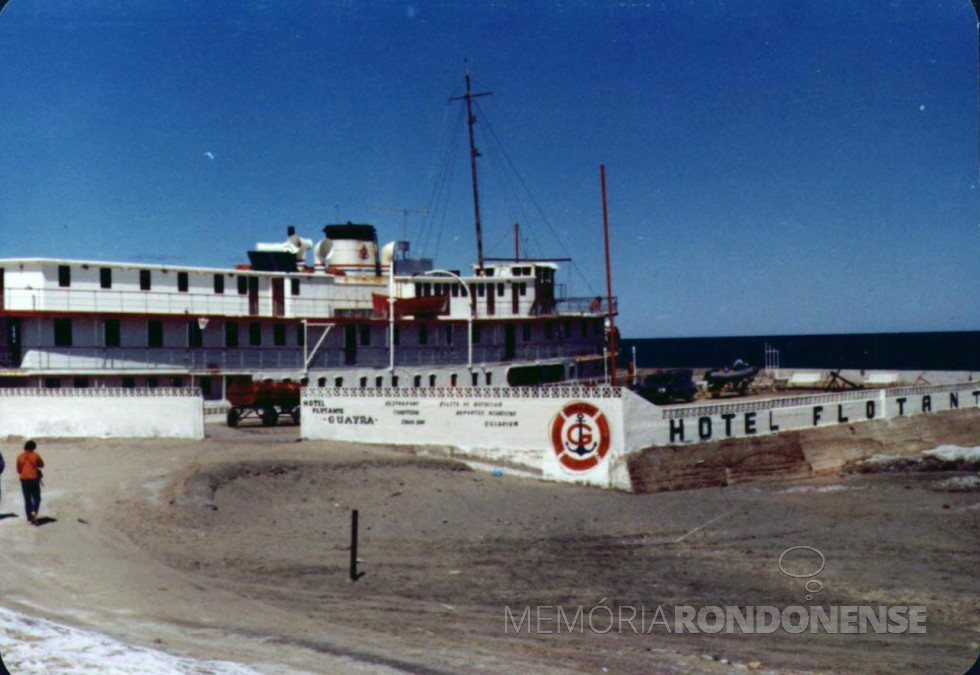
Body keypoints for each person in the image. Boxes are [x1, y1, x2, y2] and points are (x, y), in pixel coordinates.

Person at [16, 440, 44, 525]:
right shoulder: (35, 455)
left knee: (27, 498)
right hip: (34, 478)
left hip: (24, 479)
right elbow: (42, 465)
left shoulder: (20, 456)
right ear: (33, 448)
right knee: (36, 497)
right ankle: (34, 511)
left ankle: (29, 517)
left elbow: (18, 469)